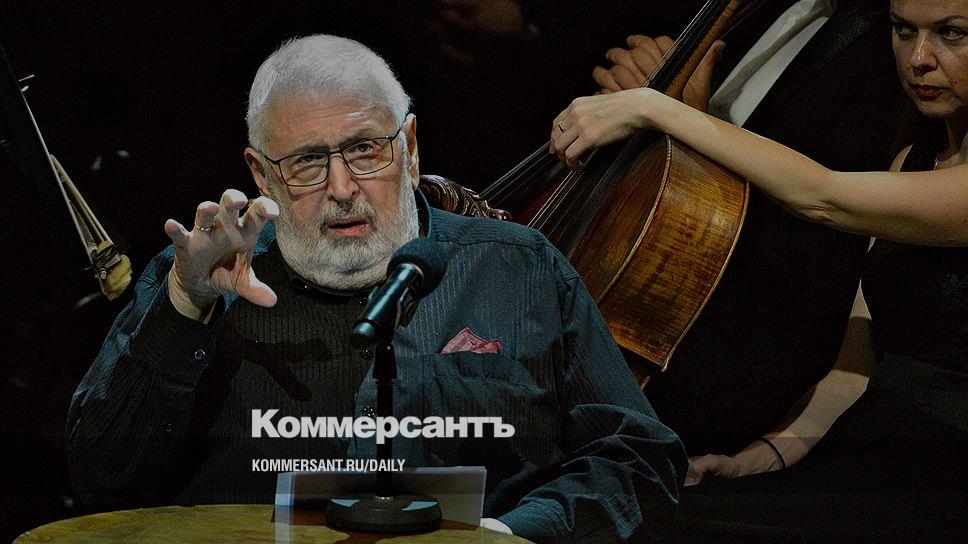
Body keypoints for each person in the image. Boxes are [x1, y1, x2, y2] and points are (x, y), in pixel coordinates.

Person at [65, 34, 686, 543]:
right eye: (307, 162)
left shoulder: (519, 272)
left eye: (365, 150)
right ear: (261, 174)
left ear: (409, 149)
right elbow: (104, 483)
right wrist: (183, 306)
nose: (341, 188)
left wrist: (504, 536)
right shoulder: (202, 281)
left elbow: (637, 458)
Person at [551, 0, 968, 538]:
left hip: (949, 472)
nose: (918, 58)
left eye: (952, 34)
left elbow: (823, 196)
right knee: (626, 510)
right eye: (903, 29)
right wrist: (764, 455)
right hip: (878, 452)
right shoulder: (910, 159)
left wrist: (657, 108)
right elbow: (854, 369)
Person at [590, 0, 909, 457]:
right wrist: (644, 86)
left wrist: (682, 120)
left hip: (734, 350)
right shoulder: (747, 10)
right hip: (650, 308)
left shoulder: (895, 42)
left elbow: (824, 238)